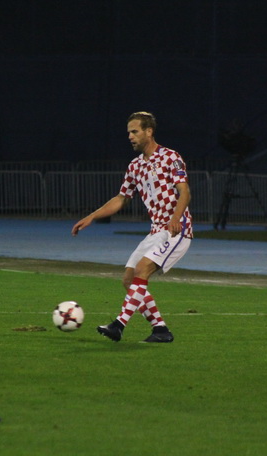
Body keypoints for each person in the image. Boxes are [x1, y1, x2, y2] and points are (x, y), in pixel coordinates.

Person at [71, 111, 192, 343]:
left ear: (149, 131)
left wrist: (176, 218)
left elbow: (184, 191)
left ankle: (118, 325)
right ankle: (160, 330)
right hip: (156, 231)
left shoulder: (170, 157)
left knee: (142, 270)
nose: (130, 136)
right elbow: (121, 198)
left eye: (135, 132)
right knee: (129, 280)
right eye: (129, 132)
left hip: (176, 230)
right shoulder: (135, 166)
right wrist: (92, 216)